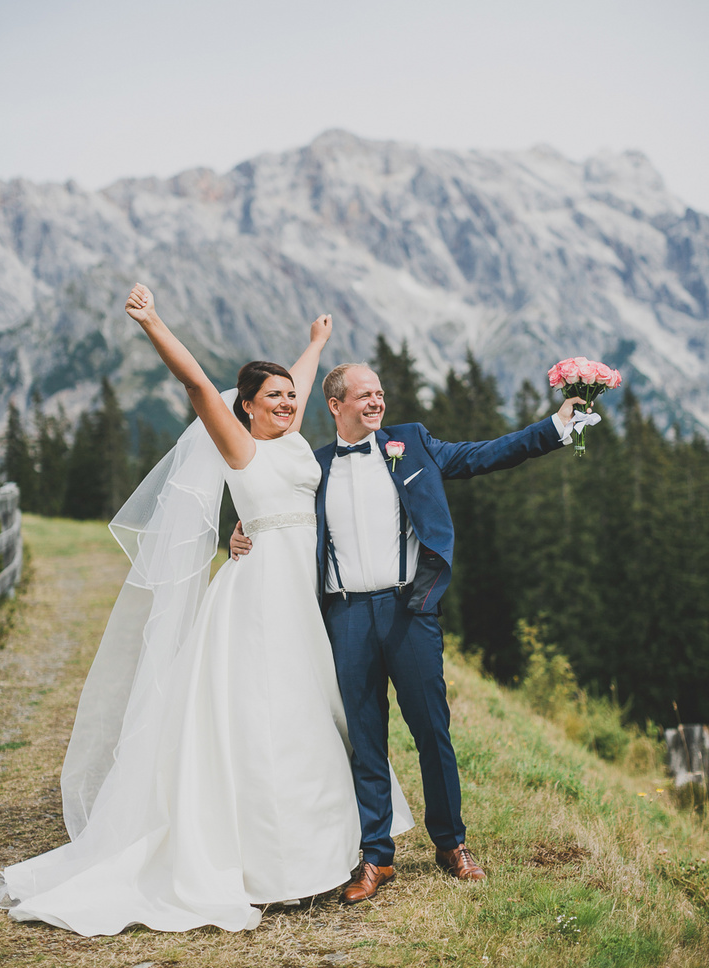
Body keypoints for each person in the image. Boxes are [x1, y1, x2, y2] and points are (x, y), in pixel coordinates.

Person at [0, 287, 412, 936]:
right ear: (243, 408)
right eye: (271, 398)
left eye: (289, 397)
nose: (286, 402)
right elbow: (192, 382)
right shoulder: (238, 445)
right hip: (263, 593)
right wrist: (154, 321)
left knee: (318, 707)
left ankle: (332, 851)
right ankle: (273, 867)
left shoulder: (293, 439)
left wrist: (316, 343)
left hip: (307, 590)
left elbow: (293, 383)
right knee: (272, 714)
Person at [231, 361, 584, 902]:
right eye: (364, 395)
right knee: (364, 737)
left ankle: (451, 843)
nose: (377, 402)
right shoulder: (316, 465)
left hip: (408, 609)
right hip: (345, 616)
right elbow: (273, 506)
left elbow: (482, 454)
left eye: (380, 393)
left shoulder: (412, 444)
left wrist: (556, 427)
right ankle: (376, 856)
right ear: (335, 404)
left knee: (431, 731)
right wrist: (238, 532)